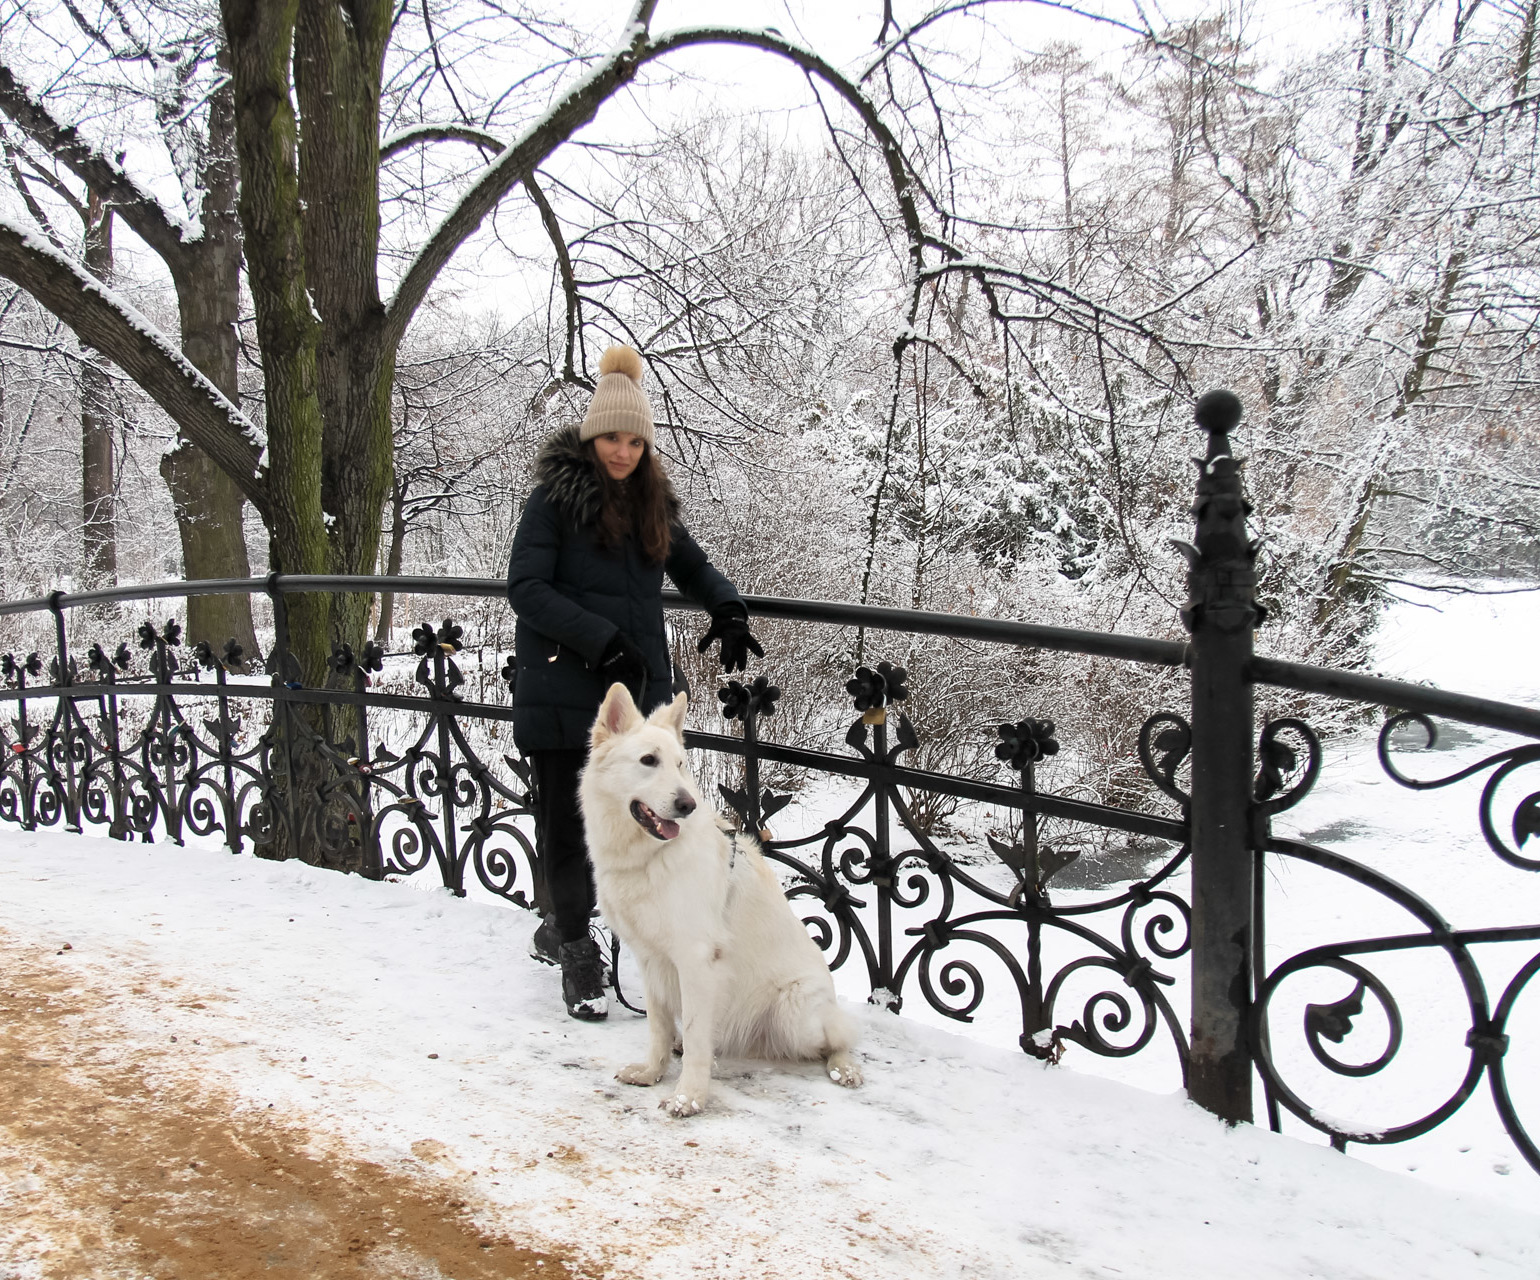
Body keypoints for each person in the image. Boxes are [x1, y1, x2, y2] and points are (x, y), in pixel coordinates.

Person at [506, 344, 762, 1020]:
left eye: (635, 441)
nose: (622, 452)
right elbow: (525, 587)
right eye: (612, 439)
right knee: (569, 822)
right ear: (592, 438)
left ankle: (626, 931)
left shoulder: (652, 505)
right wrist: (601, 639)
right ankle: (575, 946)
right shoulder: (554, 502)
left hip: (638, 694)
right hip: (564, 684)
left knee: (650, 823)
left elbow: (695, 567)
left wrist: (729, 609)